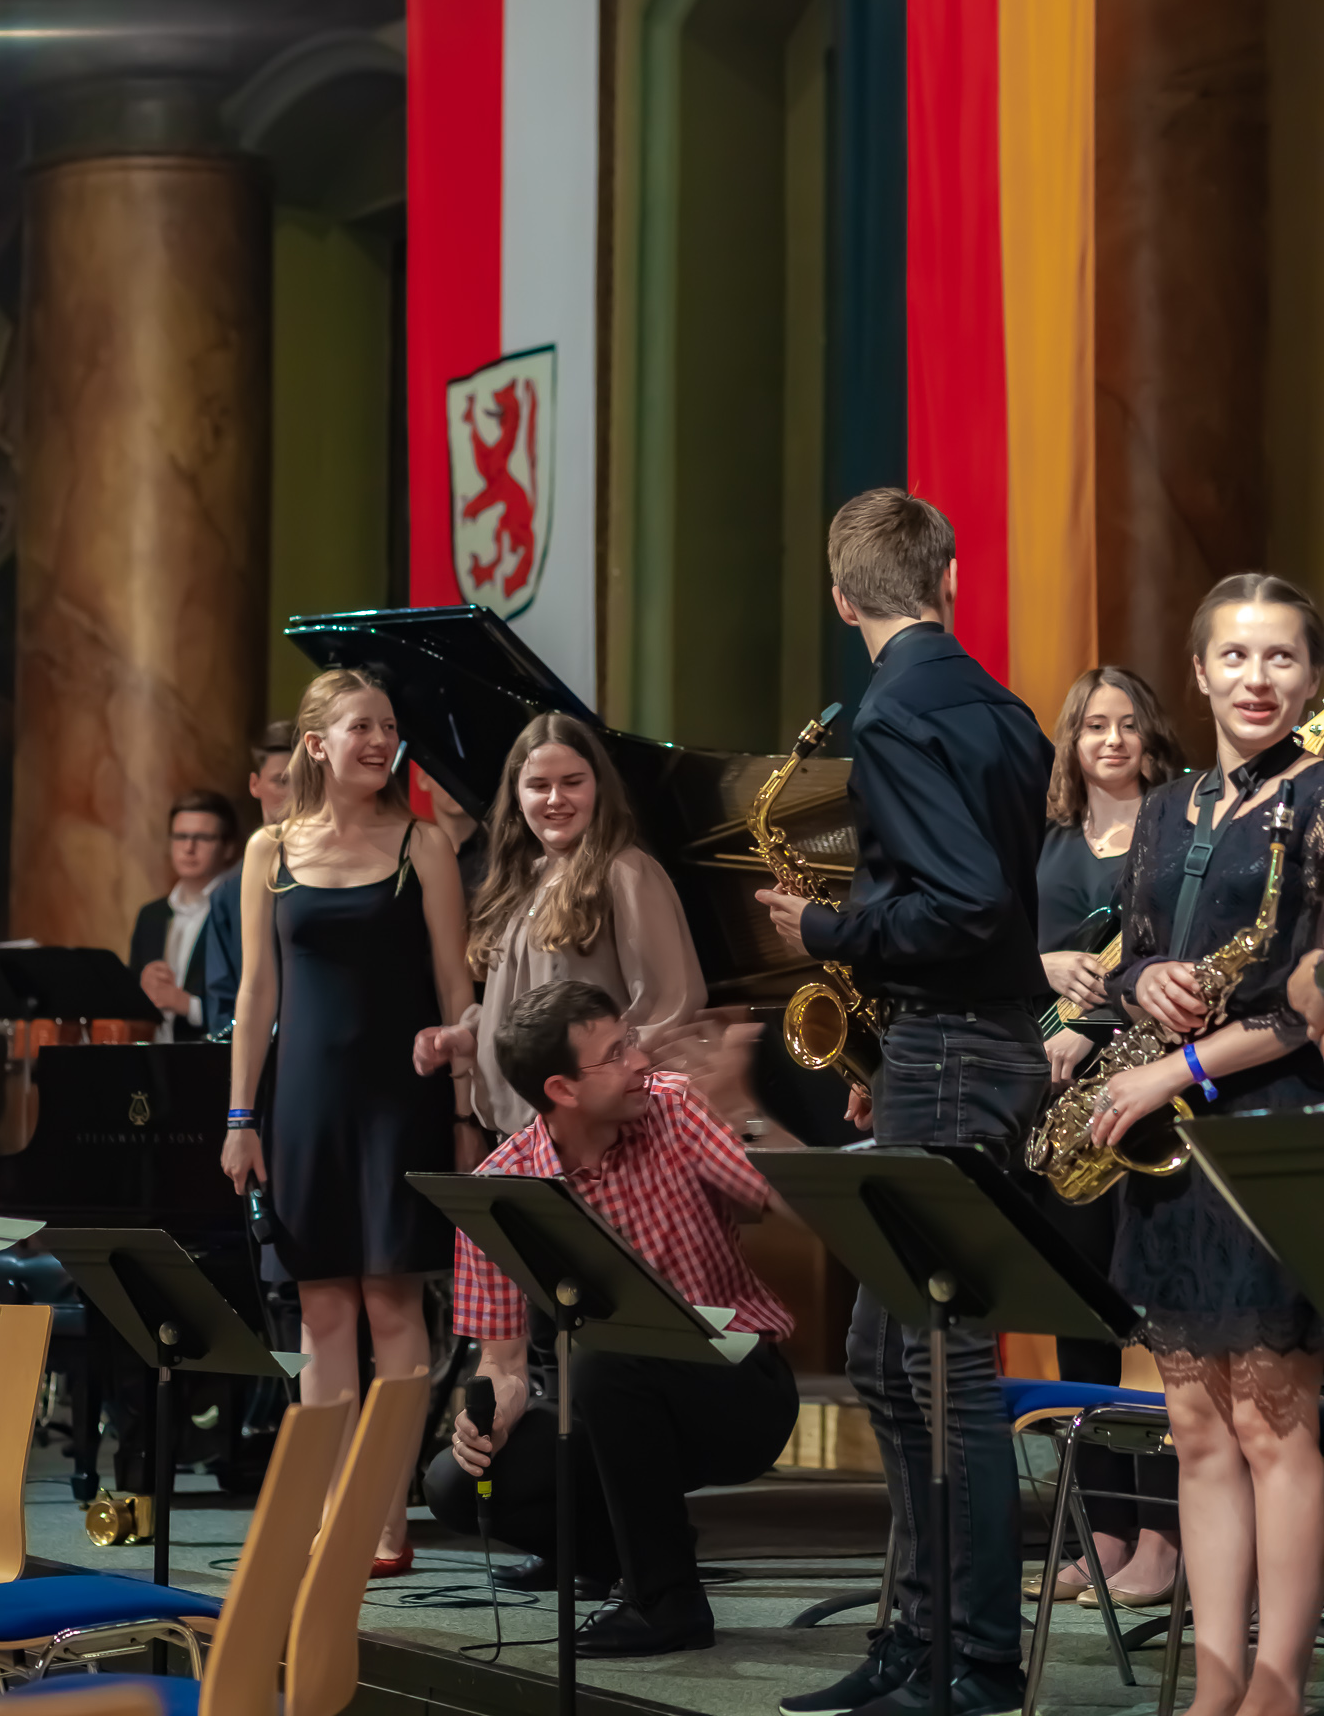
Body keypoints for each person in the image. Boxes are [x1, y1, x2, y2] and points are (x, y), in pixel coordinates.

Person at [759, 487, 1053, 1716]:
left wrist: (827, 926)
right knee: (889, 1355)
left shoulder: (891, 714)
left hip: (952, 1049)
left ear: (841, 597)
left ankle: (973, 1661)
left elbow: (968, 902)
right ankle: (914, 1638)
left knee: (941, 1363)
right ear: (950, 579)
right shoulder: (1005, 706)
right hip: (970, 1044)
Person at [1086, 574, 1324, 1716]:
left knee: (1276, 1426)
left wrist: (1169, 1069)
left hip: (1270, 1130)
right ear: (1198, 672)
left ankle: (1275, 1683)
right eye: (1234, 656)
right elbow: (1133, 946)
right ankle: (1212, 1686)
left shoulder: (1319, 799)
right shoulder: (1170, 806)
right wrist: (1143, 979)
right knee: (1195, 1425)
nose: (1256, 678)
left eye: (1280, 657)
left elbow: (1306, 1006)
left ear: (1312, 677)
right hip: (1172, 1146)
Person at [422, 978, 800, 1656]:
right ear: (561, 1089)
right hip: (607, 1404)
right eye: (616, 1053)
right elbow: (504, 1364)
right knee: (457, 1484)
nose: (640, 1061)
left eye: (630, 1042)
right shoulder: (501, 1190)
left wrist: (743, 1108)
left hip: (736, 1384)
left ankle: (667, 1603)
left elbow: (799, 1205)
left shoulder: (675, 1108)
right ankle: (628, 1556)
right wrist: (492, 1417)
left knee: (605, 1353)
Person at [220, 667, 477, 1575]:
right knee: (320, 1314)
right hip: (302, 1107)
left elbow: (454, 986)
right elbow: (255, 996)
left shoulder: (423, 844)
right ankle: (331, 1511)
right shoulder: (268, 850)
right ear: (316, 743)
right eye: (361, 727)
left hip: (400, 1102)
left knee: (392, 1306)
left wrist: (463, 1112)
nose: (380, 742)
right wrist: (240, 1116)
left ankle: (386, 1520)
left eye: (389, 727)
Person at [1030, 668, 1183, 1608]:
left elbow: (1178, 952)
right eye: (1094, 725)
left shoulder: (1175, 829)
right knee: (1077, 1319)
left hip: (1143, 1088)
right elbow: (1007, 946)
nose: (1112, 740)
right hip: (1061, 1104)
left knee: (1154, 1324)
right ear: (1072, 740)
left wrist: (1086, 1025)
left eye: (1127, 724)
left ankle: (1163, 1536)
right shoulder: (1047, 839)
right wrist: (1042, 966)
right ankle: (1104, 1532)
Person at [415, 711, 706, 1143]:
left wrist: (599, 1075)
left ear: (599, 787)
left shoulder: (626, 872)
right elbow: (524, 1011)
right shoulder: (520, 882)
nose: (555, 799)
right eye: (538, 785)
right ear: (517, 797)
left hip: (595, 1136)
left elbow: (669, 1008)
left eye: (572, 782)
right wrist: (469, 1035)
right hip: (523, 1135)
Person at [204, 720, 293, 1035]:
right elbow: (221, 1005)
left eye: (305, 781)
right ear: (255, 785)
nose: (294, 794)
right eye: (281, 781)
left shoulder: (338, 873)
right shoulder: (229, 892)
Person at [130, 789, 239, 1041]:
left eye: (203, 838)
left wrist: (189, 1006)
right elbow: (131, 1004)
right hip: (155, 1053)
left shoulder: (239, 913)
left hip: (212, 1054)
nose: (189, 848)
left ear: (228, 848)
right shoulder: (151, 915)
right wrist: (140, 989)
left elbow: (253, 1004)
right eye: (180, 837)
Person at [413, 763, 489, 906]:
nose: (456, 783)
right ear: (423, 779)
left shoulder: (505, 851)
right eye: (444, 772)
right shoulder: (413, 860)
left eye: (466, 773)